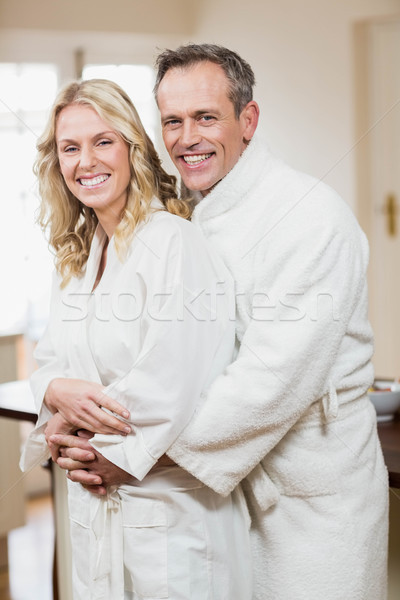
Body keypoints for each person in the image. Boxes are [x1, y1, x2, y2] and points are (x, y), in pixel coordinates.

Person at [52, 45, 389, 600]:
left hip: (307, 500)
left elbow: (268, 381)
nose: (188, 138)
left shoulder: (310, 217)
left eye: (206, 117)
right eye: (173, 122)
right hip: (213, 499)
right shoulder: (180, 211)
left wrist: (129, 455)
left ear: (248, 120)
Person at [20, 77, 254, 600]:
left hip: (171, 516)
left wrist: (88, 446)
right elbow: (52, 359)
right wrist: (55, 390)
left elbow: (175, 380)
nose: (86, 162)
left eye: (103, 141)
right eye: (70, 148)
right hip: (97, 507)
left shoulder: (173, 242)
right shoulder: (78, 257)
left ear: (132, 149)